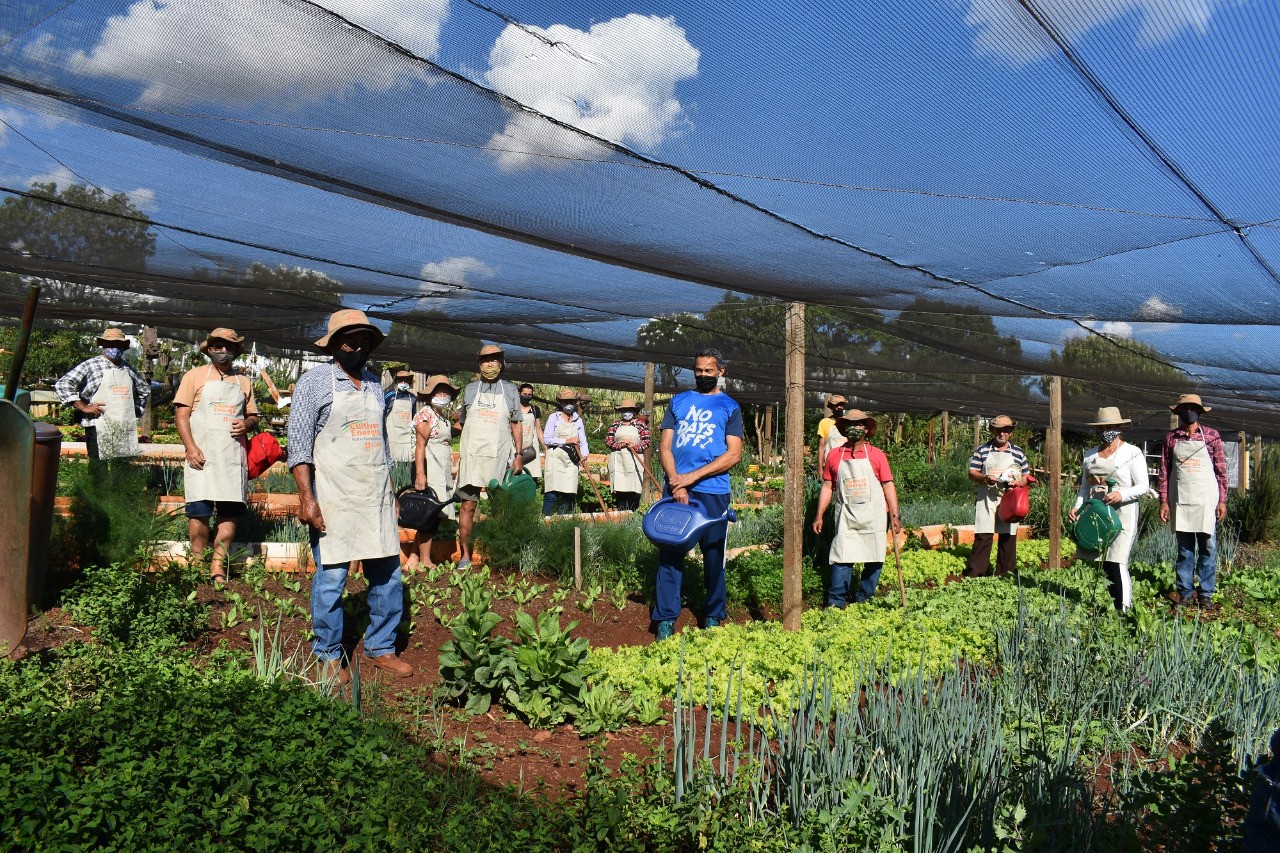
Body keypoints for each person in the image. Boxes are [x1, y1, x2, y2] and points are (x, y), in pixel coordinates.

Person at [289, 309, 411, 683]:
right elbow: (298, 446)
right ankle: (327, 653)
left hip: (374, 494)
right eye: (349, 340)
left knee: (388, 576)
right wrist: (307, 498)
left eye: (363, 340)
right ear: (334, 344)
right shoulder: (314, 383)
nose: (357, 346)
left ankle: (381, 645)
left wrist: (391, 492)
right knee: (331, 577)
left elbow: (382, 444)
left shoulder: (374, 384)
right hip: (334, 495)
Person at [653, 349, 743, 641]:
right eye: (698, 370)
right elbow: (665, 447)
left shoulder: (730, 407)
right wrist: (677, 484)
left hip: (713, 491)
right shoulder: (678, 402)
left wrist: (691, 477)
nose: (703, 375)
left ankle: (713, 614)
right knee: (670, 553)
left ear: (721, 371)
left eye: (709, 370)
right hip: (677, 489)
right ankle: (666, 618)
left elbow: (734, 454)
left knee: (714, 553)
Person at [174, 328, 258, 585]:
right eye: (218, 346)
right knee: (198, 512)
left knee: (229, 513)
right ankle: (198, 564)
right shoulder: (194, 376)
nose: (223, 351)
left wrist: (247, 424)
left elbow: (253, 416)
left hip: (231, 457)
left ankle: (217, 566)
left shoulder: (243, 382)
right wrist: (190, 448)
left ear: (235, 351)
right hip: (201, 456)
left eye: (229, 347)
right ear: (209, 349)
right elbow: (181, 415)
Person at [811, 411, 901, 606]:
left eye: (858, 424)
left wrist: (895, 515)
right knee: (842, 555)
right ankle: (836, 600)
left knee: (875, 556)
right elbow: (827, 486)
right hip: (846, 514)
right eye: (849, 425)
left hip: (875, 515)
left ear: (866, 429)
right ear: (844, 430)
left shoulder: (877, 455)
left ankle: (864, 599)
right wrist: (819, 515)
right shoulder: (835, 455)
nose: (853, 428)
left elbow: (888, 485)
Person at [1067, 407, 1148, 612]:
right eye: (1101, 428)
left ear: (1119, 428)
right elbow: (1085, 488)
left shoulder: (1132, 453)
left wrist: (1122, 494)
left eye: (1109, 427)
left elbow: (1143, 486)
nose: (1105, 431)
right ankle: (1113, 605)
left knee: (1117, 561)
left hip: (1123, 512)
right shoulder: (1090, 455)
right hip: (1096, 512)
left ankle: (1124, 609)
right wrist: (1077, 508)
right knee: (1103, 562)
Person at [1157, 394, 1228, 613]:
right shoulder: (1171, 438)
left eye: (1193, 408)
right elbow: (1164, 472)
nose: (1189, 412)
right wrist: (1164, 501)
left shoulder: (1212, 436)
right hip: (1181, 500)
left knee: (1208, 547)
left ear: (1199, 411)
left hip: (1206, 501)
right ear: (1179, 412)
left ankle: (1205, 594)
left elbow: (1221, 471)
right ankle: (1185, 593)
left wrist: (1222, 501)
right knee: (1185, 550)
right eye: (1185, 408)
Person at [455, 344, 523, 569]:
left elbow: (516, 424)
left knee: (499, 506)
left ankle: (499, 553)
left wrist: (519, 454)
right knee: (468, 505)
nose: (490, 364)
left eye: (494, 360)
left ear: (501, 363)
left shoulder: (510, 390)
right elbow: (463, 422)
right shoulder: (470, 389)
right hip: (472, 455)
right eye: (486, 360)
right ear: (479, 364)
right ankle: (465, 555)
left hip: (498, 455)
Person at [54, 327, 149, 460]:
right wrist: (83, 407)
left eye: (118, 344)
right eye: (110, 344)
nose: (114, 348)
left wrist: (135, 410)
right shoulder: (91, 365)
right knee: (99, 466)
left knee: (121, 465)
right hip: (97, 424)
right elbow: (63, 384)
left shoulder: (128, 368)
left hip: (123, 425)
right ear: (103, 345)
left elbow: (144, 390)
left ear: (123, 347)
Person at [964, 415, 1030, 577]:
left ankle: (1005, 574)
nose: (1002, 433)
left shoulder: (1018, 453)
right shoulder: (983, 450)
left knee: (1008, 535)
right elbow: (972, 472)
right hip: (987, 497)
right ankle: (977, 573)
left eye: (1006, 430)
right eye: (998, 430)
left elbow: (1026, 476)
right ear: (993, 431)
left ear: (1010, 432)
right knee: (983, 534)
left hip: (1009, 497)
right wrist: (985, 478)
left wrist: (1019, 483)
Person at [407, 374, 460, 571]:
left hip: (440, 469)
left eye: (446, 392)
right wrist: (421, 475)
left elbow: (448, 434)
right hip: (430, 469)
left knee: (429, 515)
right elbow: (420, 446)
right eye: (439, 392)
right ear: (430, 394)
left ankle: (413, 560)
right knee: (428, 516)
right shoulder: (425, 414)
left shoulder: (440, 416)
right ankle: (426, 561)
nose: (443, 395)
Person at [542, 388, 588, 516]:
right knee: (552, 493)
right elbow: (547, 439)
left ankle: (562, 521)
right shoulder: (554, 418)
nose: (569, 404)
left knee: (568, 493)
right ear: (561, 403)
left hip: (571, 460)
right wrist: (567, 441)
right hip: (555, 459)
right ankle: (545, 520)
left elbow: (583, 441)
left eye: (571, 401)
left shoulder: (577, 420)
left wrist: (584, 455)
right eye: (566, 401)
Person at [605, 398, 651, 511]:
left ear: (634, 411)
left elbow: (646, 441)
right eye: (624, 410)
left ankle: (633, 514)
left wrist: (634, 446)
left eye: (629, 410)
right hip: (619, 461)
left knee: (634, 490)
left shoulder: (640, 425)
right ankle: (621, 515)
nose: (626, 413)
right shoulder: (615, 425)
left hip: (635, 460)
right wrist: (620, 444)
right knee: (620, 491)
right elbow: (608, 441)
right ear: (621, 411)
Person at [383, 368, 418, 465]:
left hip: (407, 438)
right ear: (396, 381)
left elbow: (413, 418)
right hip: (392, 437)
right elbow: (382, 414)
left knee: (407, 463)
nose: (403, 382)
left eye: (406, 380)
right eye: (400, 380)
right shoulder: (389, 396)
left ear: (409, 382)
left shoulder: (412, 398)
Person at [814, 394, 849, 477]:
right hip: (830, 464)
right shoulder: (825, 422)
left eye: (841, 405)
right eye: (837, 405)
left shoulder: (848, 422)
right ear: (831, 407)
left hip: (847, 464)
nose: (839, 407)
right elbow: (821, 446)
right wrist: (820, 467)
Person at [518, 383, 544, 479]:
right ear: (519, 393)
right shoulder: (513, 409)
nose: (527, 396)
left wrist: (545, 447)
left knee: (531, 477)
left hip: (531, 449)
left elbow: (538, 429)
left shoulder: (535, 409)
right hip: (515, 447)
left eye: (529, 395)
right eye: (524, 394)